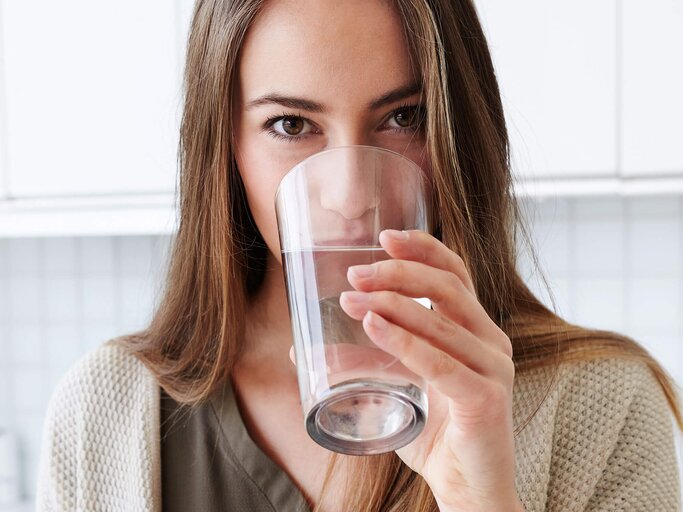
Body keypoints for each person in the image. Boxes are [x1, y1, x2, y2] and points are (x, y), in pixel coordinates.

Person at [37, 0, 682, 510]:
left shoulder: (604, 405)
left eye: (404, 117)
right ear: (226, 147)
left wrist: (483, 502)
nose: (350, 197)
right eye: (292, 125)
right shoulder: (106, 412)